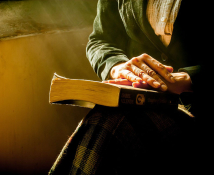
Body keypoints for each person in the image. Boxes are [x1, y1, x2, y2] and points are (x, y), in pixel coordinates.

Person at [49, 0, 212, 174]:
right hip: (147, 103)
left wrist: (187, 78)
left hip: (197, 108)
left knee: (115, 123)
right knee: (105, 117)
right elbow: (101, 39)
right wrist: (117, 66)